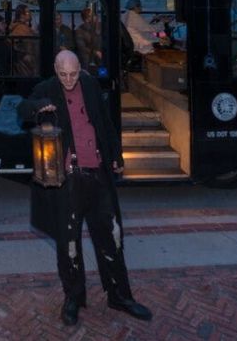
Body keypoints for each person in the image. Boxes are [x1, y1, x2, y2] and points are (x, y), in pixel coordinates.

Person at [17, 50, 152, 327]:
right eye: (63, 74)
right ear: (56, 70)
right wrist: (39, 106)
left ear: (81, 69)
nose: (69, 79)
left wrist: (116, 155)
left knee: (112, 237)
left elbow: (104, 122)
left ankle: (120, 296)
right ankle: (73, 299)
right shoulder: (46, 88)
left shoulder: (90, 85)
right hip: (68, 179)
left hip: (98, 174)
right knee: (69, 244)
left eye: (74, 73)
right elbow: (21, 109)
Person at [9, 3, 38, 77]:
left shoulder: (24, 27)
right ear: (22, 15)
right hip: (24, 64)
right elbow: (10, 42)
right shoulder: (21, 28)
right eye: (27, 12)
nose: (30, 14)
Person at [74, 7, 102, 74]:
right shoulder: (79, 30)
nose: (96, 17)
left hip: (101, 56)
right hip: (88, 57)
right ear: (87, 19)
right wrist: (96, 52)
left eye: (95, 15)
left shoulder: (100, 26)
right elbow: (82, 48)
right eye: (93, 15)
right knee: (86, 59)